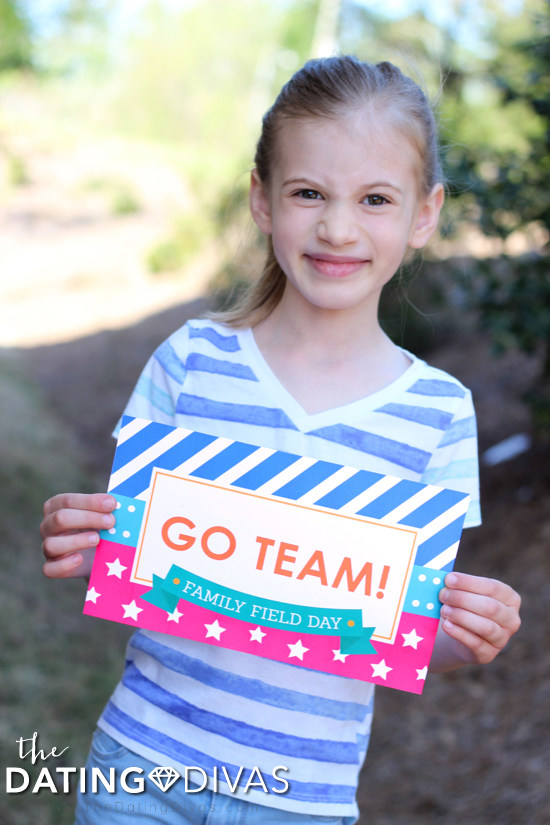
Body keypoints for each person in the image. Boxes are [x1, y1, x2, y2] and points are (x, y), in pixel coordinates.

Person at [39, 56, 521, 825]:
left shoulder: (438, 414)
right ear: (263, 200)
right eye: (308, 193)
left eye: (374, 199)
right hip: (142, 767)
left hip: (300, 801)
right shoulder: (191, 362)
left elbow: (400, 629)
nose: (337, 227)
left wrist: (465, 638)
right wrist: (83, 537)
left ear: (424, 214)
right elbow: (132, 555)